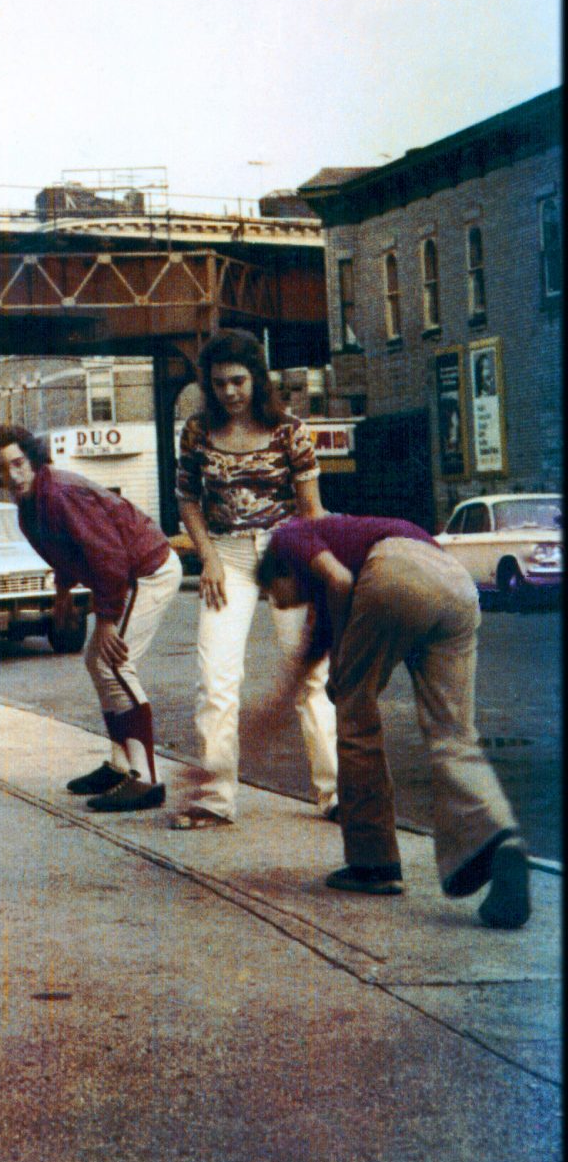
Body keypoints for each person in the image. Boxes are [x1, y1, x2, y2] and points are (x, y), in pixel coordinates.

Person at [255, 513, 531, 928]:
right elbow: (296, 677)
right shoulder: (324, 603)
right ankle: (494, 839)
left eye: (274, 593)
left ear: (281, 570)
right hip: (456, 586)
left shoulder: (287, 538)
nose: (278, 604)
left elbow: (342, 582)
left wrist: (345, 674)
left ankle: (374, 864)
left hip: (396, 572)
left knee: (354, 711)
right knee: (454, 734)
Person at [172, 328, 339, 828]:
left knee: (310, 677)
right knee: (216, 680)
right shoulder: (197, 432)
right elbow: (187, 499)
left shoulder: (291, 431)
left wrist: (319, 572)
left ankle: (333, 794)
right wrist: (209, 558)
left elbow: (311, 511)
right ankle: (215, 798)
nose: (230, 392)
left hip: (287, 553)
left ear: (257, 379)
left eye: (239, 381)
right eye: (220, 383)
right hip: (227, 556)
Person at [0, 425, 183, 813]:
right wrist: (62, 594)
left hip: (146, 569)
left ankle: (146, 779)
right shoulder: (32, 505)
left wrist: (107, 619)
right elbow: (69, 550)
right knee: (97, 662)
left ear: (34, 459)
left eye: (19, 463)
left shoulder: (60, 494)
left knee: (114, 663)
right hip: (128, 572)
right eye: (3, 469)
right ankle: (120, 764)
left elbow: (108, 557)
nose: (14, 475)